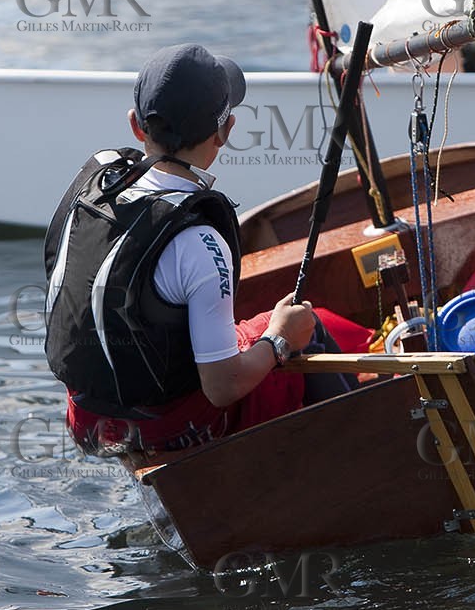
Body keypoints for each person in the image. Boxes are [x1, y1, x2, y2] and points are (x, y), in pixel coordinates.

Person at [43, 44, 332, 458]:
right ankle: (355, 458)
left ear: (135, 125)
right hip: (170, 428)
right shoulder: (199, 241)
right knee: (309, 328)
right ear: (225, 131)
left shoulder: (91, 187)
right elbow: (222, 388)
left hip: (87, 423)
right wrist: (280, 340)